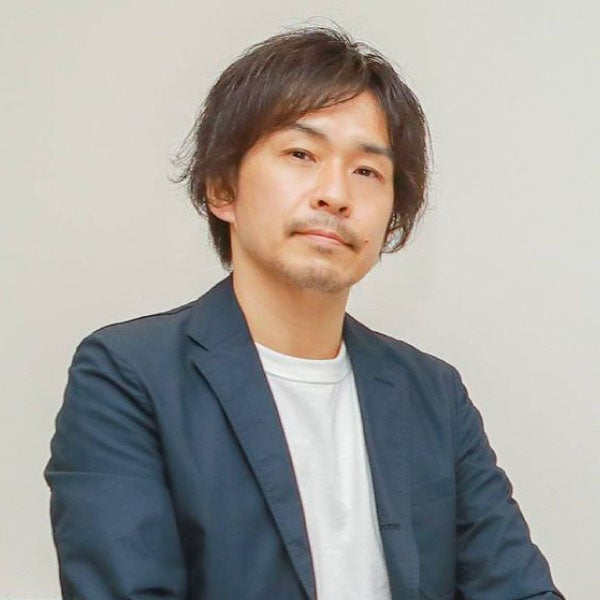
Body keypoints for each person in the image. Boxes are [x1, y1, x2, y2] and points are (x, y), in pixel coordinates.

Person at [45, 26, 564, 599]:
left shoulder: (433, 393)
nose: (335, 194)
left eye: (367, 171)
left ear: (392, 218)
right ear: (222, 189)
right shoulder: (128, 375)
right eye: (301, 154)